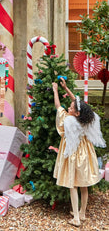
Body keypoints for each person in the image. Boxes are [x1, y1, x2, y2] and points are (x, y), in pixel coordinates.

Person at [52, 78, 106, 227]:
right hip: (86, 153)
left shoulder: (69, 120)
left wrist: (56, 90)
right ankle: (82, 213)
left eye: (71, 108)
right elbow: (79, 103)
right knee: (84, 185)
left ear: (75, 113)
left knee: (73, 185)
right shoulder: (89, 118)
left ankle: (76, 218)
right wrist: (67, 88)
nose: (69, 108)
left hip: (73, 153)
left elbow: (58, 106)